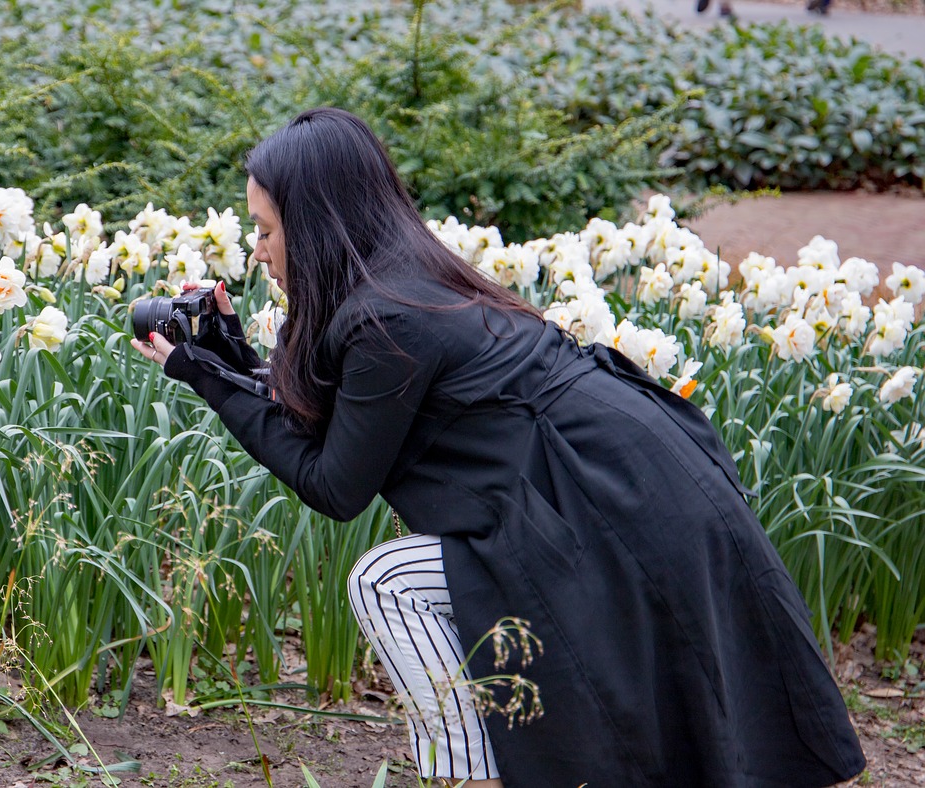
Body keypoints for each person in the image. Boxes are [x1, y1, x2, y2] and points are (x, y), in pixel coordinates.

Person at [131, 107, 866, 787]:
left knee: (386, 581)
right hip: (624, 474)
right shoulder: (403, 282)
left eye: (265, 229)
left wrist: (208, 381)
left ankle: (464, 777)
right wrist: (229, 361)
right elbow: (340, 421)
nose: (257, 250)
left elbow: (335, 486)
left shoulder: (388, 320)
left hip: (609, 501)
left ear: (316, 224)